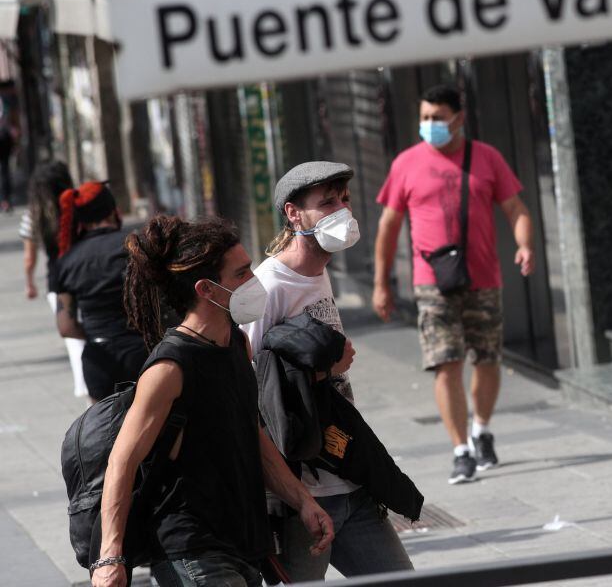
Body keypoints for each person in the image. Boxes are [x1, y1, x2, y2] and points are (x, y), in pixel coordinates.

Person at [91, 215, 334, 587]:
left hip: (243, 542)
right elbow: (122, 461)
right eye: (241, 273)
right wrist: (110, 558)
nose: (254, 280)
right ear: (206, 289)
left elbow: (251, 436)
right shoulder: (170, 367)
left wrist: (303, 501)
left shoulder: (238, 344)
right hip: (193, 551)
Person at [242, 161, 413, 581]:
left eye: (345, 200)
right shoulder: (268, 286)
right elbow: (251, 387)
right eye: (327, 203)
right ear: (293, 214)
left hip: (347, 476)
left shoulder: (318, 273)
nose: (341, 211)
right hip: (304, 493)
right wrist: (324, 370)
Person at [373, 84, 534, 484]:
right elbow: (388, 226)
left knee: (488, 360)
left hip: (484, 278)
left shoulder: (487, 158)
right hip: (432, 283)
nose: (429, 125)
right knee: (446, 363)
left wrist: (525, 245)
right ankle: (461, 449)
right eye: (424, 118)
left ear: (459, 119)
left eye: (437, 118)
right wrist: (382, 283)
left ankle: (481, 428)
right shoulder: (406, 164)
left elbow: (517, 209)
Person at [52, 181, 144, 402]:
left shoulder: (67, 260)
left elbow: (66, 327)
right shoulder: (134, 246)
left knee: (106, 433)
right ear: (114, 210)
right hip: (142, 353)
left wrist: (97, 335)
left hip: (98, 360)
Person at [19, 161, 87, 397]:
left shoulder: (34, 214)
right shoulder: (80, 206)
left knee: (74, 340)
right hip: (86, 273)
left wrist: (29, 282)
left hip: (58, 283)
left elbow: (29, 257)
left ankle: (88, 391)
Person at [0, 118, 15, 213]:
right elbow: (11, 145)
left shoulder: (4, 132)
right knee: (5, 179)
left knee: (4, 180)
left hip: (4, 160)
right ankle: (6, 201)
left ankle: (5, 202)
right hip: (5, 160)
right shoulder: (5, 131)